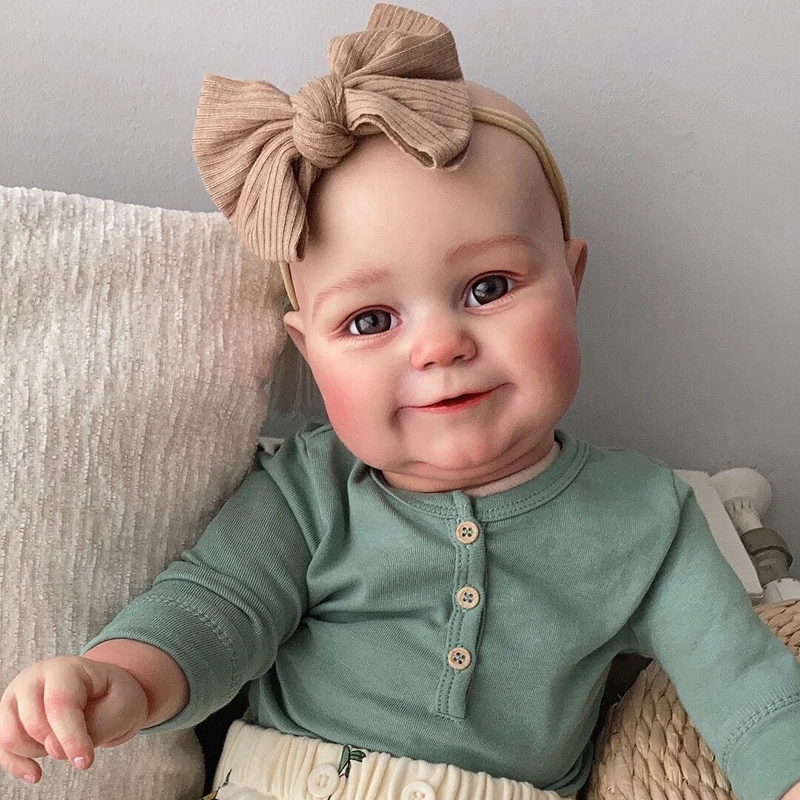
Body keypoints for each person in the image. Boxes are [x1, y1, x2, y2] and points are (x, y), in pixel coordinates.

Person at [1, 5, 799, 800]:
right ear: (308, 353)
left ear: (572, 280)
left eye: (488, 287)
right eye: (370, 321)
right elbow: (215, 608)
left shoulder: (647, 516)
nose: (439, 346)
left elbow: (745, 686)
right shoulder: (309, 492)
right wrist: (121, 679)